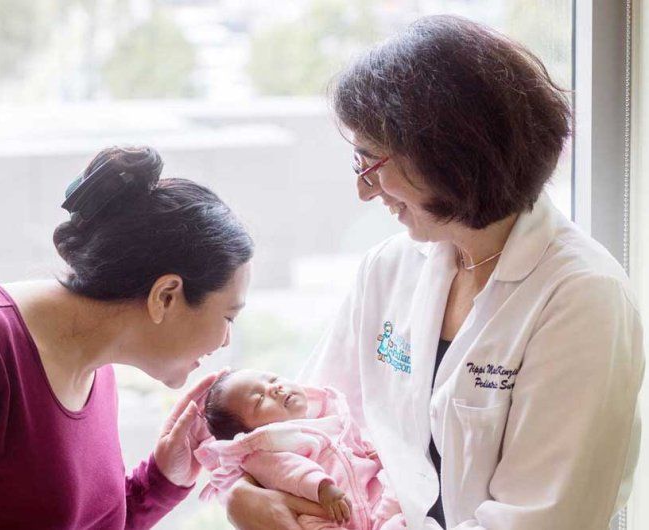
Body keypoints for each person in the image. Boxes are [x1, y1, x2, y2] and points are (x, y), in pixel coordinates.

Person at [225, 15, 644, 530]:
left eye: (370, 162)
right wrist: (241, 495)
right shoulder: (389, 268)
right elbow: (311, 423)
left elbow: (539, 519)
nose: (363, 190)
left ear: (449, 157)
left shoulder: (581, 298)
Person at [0, 145, 254, 529]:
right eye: (228, 316)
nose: (224, 342)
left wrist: (164, 480)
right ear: (165, 295)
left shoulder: (94, 368)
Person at [195, 369, 406, 529]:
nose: (274, 389)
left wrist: (373, 452)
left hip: (371, 499)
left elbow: (352, 444)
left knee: (399, 495)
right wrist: (321, 487)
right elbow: (289, 470)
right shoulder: (267, 449)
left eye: (273, 379)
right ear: (250, 433)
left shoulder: (326, 418)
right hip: (329, 514)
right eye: (259, 399)